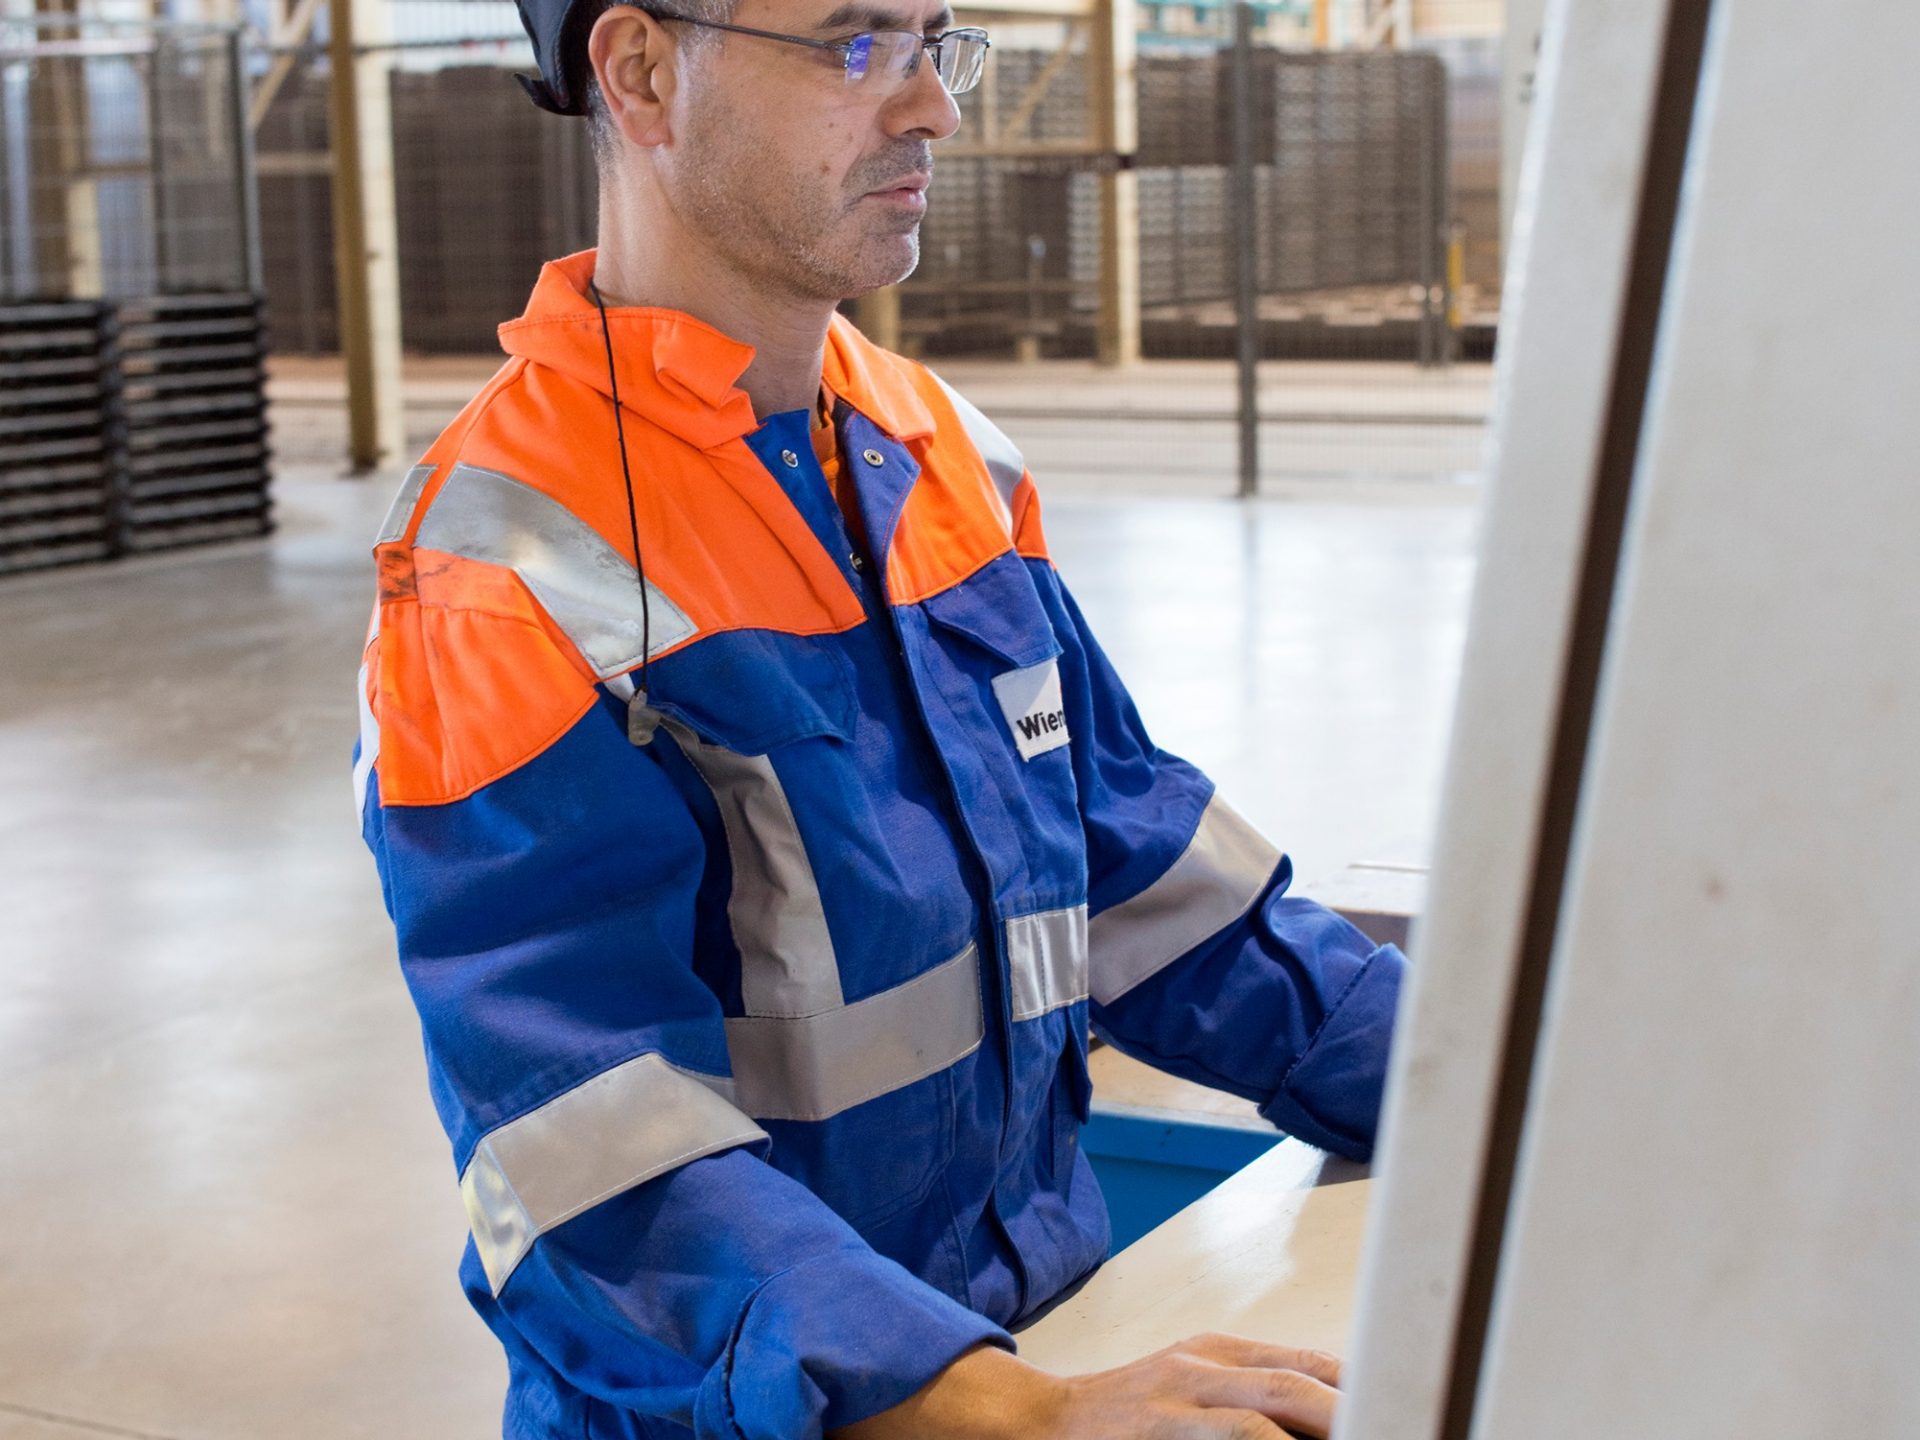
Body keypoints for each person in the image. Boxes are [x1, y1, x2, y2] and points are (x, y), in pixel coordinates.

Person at [353, 2, 1407, 1436]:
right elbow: (595, 1161)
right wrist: (1011, 1414)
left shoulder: (941, 450)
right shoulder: (506, 573)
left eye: (933, 40)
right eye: (856, 46)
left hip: (1049, 1347)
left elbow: (1148, 884)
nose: (933, 108)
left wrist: (1494, 1084)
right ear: (642, 73)